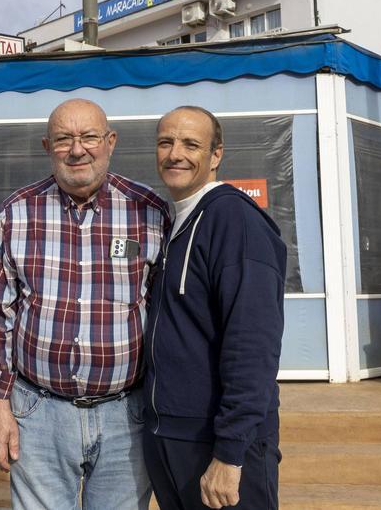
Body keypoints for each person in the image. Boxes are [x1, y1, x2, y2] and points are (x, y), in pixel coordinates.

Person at [0, 98, 170, 510]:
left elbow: (166, 315)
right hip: (38, 413)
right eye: (63, 139)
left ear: (111, 142)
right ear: (46, 146)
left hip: (127, 415)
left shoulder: (149, 212)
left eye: (89, 137)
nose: (77, 149)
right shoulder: (17, 213)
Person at [143, 106, 286, 510]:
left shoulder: (234, 220)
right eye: (166, 142)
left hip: (217, 442)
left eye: (191, 144)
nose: (176, 154)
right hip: (171, 435)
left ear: (216, 155)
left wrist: (230, 451)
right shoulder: (175, 221)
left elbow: (252, 343)